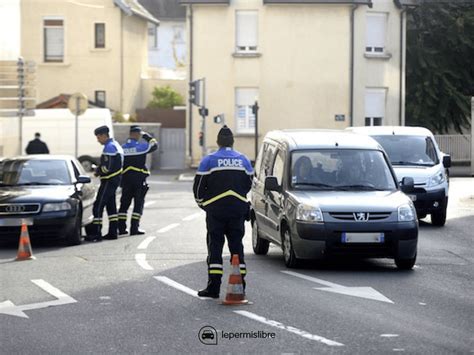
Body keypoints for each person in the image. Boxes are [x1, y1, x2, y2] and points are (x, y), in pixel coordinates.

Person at [193, 125, 254, 298]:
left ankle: (213, 288)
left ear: (218, 142)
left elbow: (198, 187)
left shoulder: (209, 160)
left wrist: (203, 204)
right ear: (233, 142)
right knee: (237, 247)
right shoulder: (243, 160)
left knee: (215, 248)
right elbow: (249, 183)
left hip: (216, 212)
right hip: (237, 211)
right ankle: (240, 284)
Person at [85, 125, 124, 242]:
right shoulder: (116, 145)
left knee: (98, 206)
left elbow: (107, 167)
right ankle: (113, 232)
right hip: (114, 180)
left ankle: (96, 233)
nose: (97, 140)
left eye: (98, 137)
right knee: (111, 207)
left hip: (109, 180)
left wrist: (97, 171)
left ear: (103, 135)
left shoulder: (109, 147)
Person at [118, 125, 158, 236]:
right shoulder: (141, 147)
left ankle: (121, 229)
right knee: (138, 204)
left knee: (124, 205)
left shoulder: (122, 148)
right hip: (139, 180)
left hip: (126, 180)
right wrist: (146, 136)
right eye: (139, 134)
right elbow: (154, 145)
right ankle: (134, 228)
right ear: (136, 134)